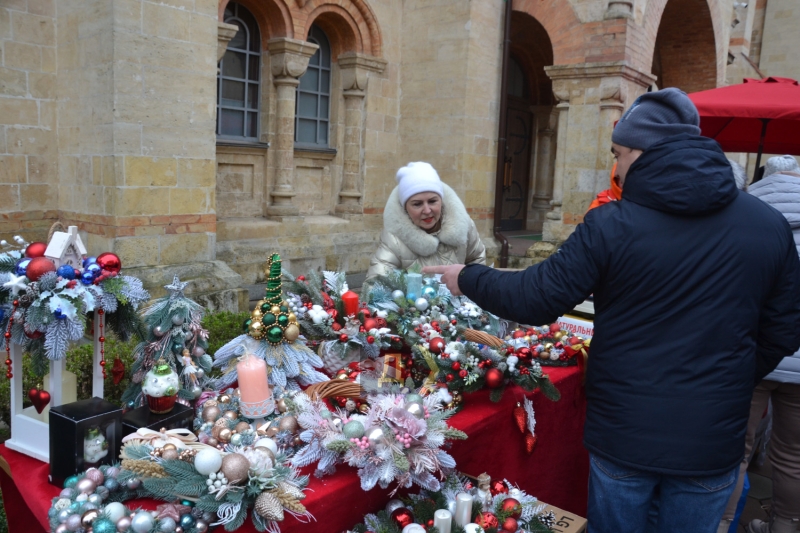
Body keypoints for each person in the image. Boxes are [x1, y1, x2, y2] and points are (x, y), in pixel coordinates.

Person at [425, 88, 800, 533]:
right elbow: (784, 328)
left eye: (619, 154)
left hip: (627, 434)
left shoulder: (613, 225)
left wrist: (465, 277)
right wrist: (731, 375)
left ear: (645, 152)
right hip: (707, 435)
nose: (616, 167)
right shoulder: (767, 225)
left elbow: (536, 297)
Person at [719, 155, 800, 533]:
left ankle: (718, 525)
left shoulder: (740, 216)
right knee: (793, 457)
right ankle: (784, 526)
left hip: (751, 353)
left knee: (734, 452)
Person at [366, 162, 485, 280]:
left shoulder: (464, 225)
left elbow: (477, 260)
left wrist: (468, 288)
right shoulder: (394, 240)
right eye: (417, 204)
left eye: (433, 201)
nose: (427, 211)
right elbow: (376, 282)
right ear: (405, 208)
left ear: (441, 200)